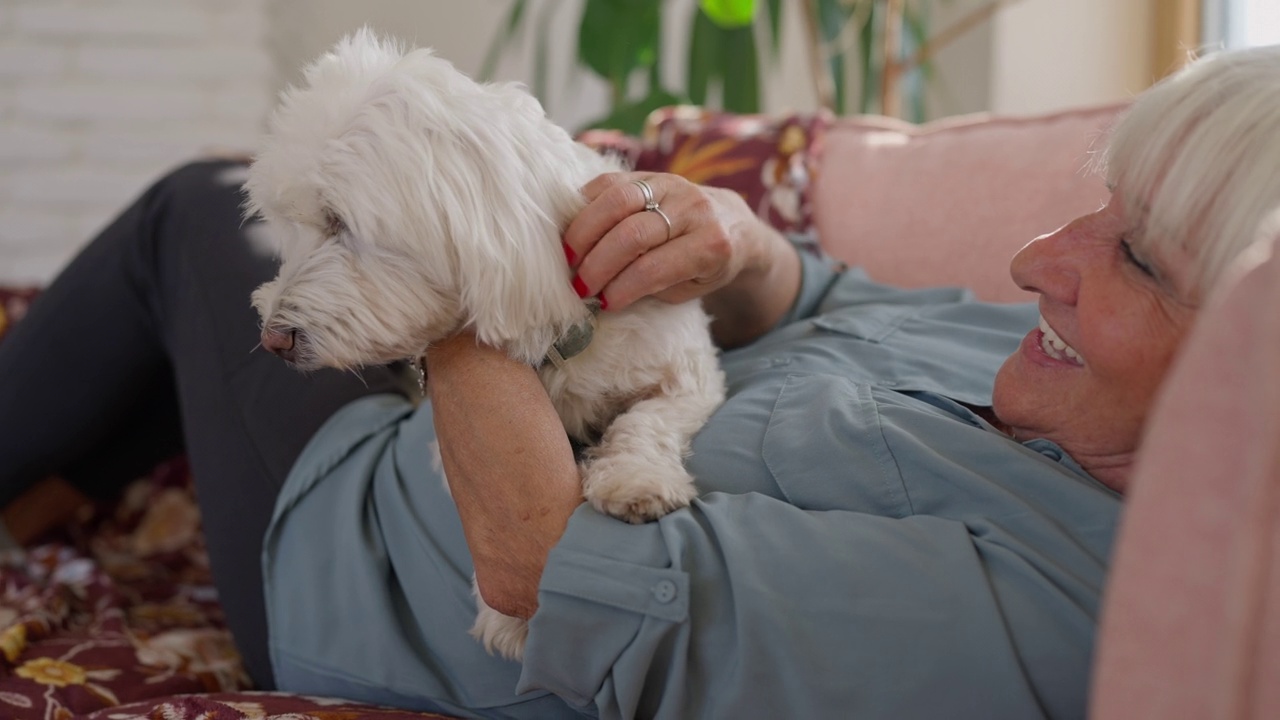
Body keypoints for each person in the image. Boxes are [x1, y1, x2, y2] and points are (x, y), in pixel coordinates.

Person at [1, 44, 1278, 720]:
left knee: (187, 213)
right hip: (456, 408)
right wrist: (736, 242)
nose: (1034, 259)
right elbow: (825, 298)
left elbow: (546, 575)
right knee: (231, 263)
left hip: (369, 548)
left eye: (1135, 256)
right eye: (1093, 207)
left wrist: (477, 266)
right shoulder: (1039, 371)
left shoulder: (1052, 618)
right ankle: (57, 487)